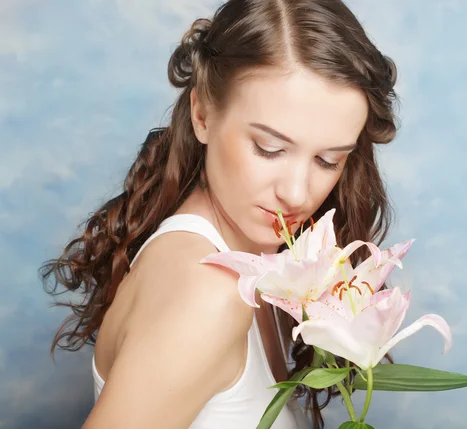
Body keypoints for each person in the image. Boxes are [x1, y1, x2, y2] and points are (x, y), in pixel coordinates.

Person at [40, 0, 399, 428]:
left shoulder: (260, 267)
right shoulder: (208, 292)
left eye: (328, 160)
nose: (298, 192)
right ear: (202, 115)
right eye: (269, 149)